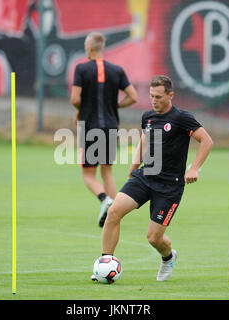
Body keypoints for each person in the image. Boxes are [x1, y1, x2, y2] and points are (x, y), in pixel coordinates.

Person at [94, 75, 213, 281]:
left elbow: (206, 140)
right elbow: (145, 138)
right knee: (114, 212)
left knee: (153, 237)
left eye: (158, 96)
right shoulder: (148, 117)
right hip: (145, 176)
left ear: (171, 95)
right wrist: (134, 164)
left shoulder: (182, 118)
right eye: (151, 96)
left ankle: (168, 257)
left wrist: (194, 168)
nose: (154, 100)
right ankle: (106, 264)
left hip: (169, 187)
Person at [70, 32, 138, 227]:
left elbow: (75, 99)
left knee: (88, 174)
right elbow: (132, 96)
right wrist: (113, 107)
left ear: (90, 48)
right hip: (110, 126)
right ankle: (113, 213)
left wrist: (80, 110)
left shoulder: (82, 68)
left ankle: (105, 200)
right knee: (107, 171)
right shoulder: (116, 70)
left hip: (90, 126)